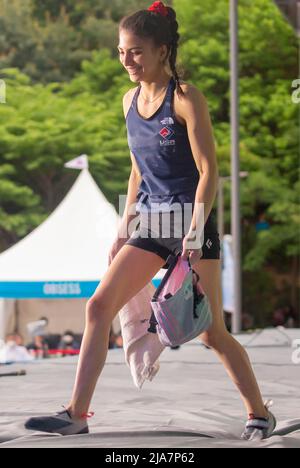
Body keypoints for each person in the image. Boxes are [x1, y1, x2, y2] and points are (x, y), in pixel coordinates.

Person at [24, 1, 276, 440]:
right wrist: (123, 229)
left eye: (137, 51)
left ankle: (258, 413)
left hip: (190, 221)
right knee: (99, 305)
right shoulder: (128, 101)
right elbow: (138, 170)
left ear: (162, 50)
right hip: (152, 223)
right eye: (122, 51)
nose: (127, 60)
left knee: (212, 334)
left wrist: (196, 230)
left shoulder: (185, 97)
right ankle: (76, 413)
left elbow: (208, 171)